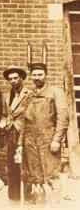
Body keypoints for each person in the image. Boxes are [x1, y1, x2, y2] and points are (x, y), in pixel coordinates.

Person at [20, 63, 68, 204]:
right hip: (30, 140)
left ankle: (55, 205)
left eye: (40, 74)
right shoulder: (29, 95)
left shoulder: (56, 92)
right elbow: (24, 119)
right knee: (34, 176)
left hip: (48, 138)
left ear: (46, 75)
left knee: (51, 175)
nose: (37, 78)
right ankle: (38, 204)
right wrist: (21, 143)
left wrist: (57, 140)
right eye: (34, 75)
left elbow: (63, 117)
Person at [1, 65, 31, 202]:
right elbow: (6, 113)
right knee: (11, 165)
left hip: (24, 132)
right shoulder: (7, 95)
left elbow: (30, 115)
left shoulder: (29, 94)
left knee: (25, 166)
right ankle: (14, 198)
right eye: (10, 79)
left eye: (15, 78)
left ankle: (28, 197)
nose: (13, 81)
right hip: (10, 133)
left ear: (21, 79)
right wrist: (4, 122)